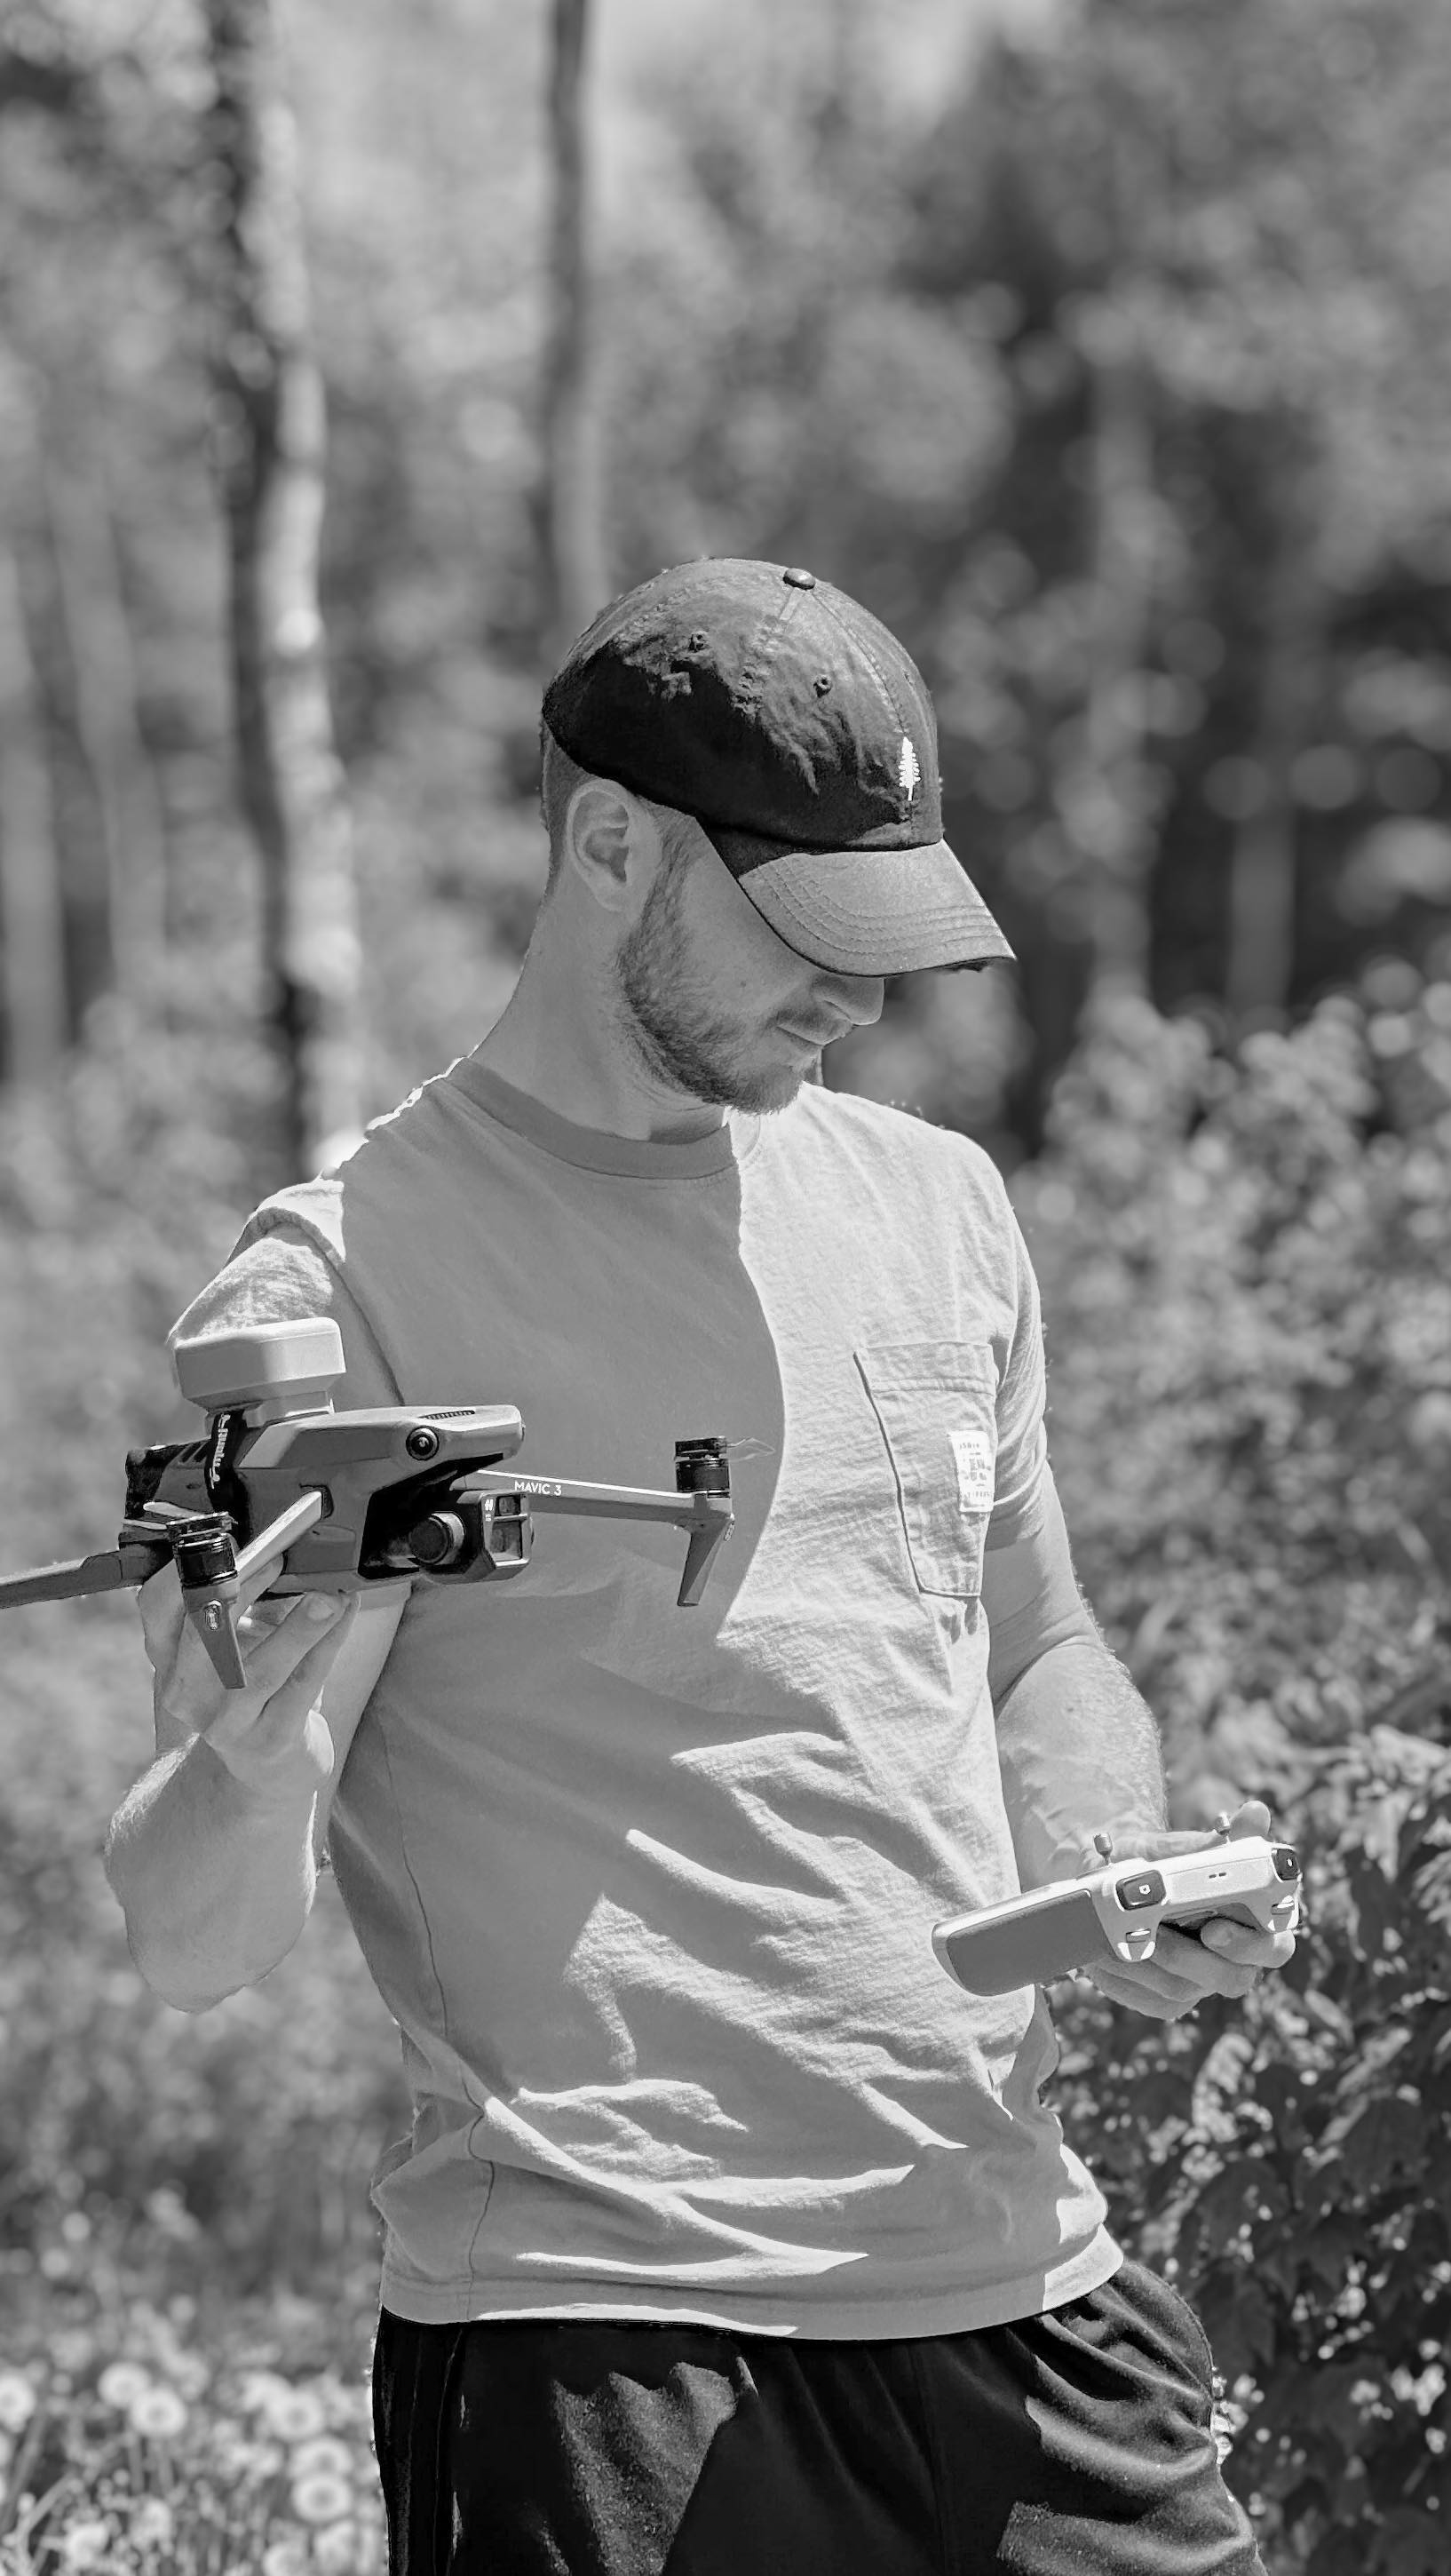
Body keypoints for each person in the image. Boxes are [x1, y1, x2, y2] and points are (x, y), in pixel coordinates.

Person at [105, 560, 1293, 2575]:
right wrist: (244, 1737)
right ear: (607, 844)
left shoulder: (939, 1208)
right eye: (810, 935)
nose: (862, 1000)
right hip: (604, 2341)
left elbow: (1041, 1639)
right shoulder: (335, 1285)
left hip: (1018, 2287)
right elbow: (193, 1936)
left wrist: (1102, 1862)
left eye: (893, 937)